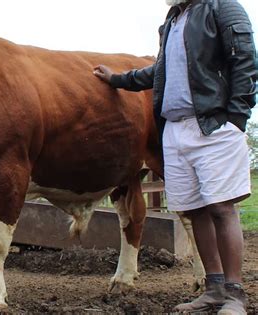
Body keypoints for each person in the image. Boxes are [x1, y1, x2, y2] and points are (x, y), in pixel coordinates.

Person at [94, 0, 256, 314]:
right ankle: (214, 289)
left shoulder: (223, 8)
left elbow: (246, 63)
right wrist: (118, 80)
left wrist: (236, 119)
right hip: (176, 129)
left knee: (222, 208)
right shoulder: (174, 18)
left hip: (214, 126)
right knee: (195, 211)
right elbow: (160, 71)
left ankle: (235, 296)